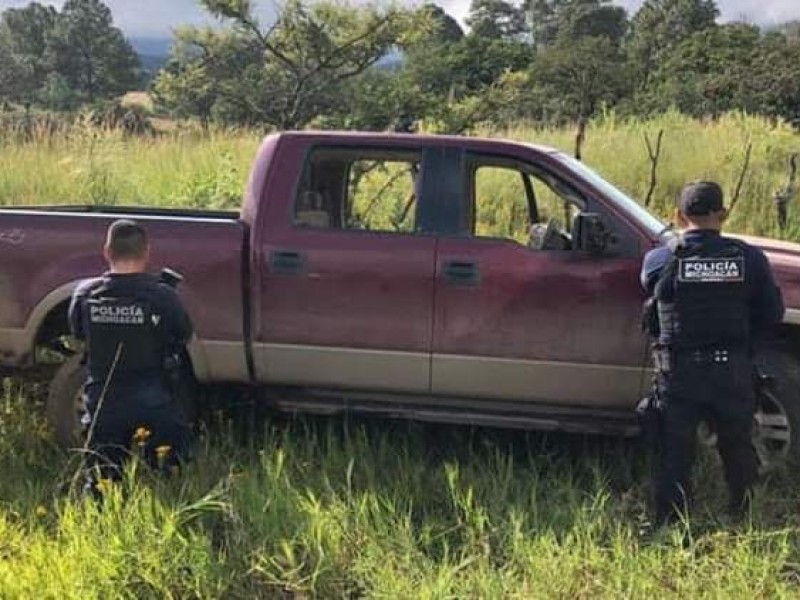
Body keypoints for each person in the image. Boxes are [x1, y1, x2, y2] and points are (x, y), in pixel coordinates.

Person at [640, 181, 784, 525]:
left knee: (675, 453)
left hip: (680, 374)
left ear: (678, 215)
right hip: (731, 371)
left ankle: (670, 524)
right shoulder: (749, 258)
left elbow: (653, 300)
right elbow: (772, 313)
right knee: (738, 448)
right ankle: (741, 516)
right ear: (723, 214)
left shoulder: (660, 259)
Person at [68, 219, 194, 493]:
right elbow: (182, 335)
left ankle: (103, 525)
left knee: (102, 484)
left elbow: (78, 334)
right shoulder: (163, 296)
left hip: (102, 402)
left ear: (107, 251)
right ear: (147, 252)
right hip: (153, 401)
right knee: (168, 478)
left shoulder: (85, 295)